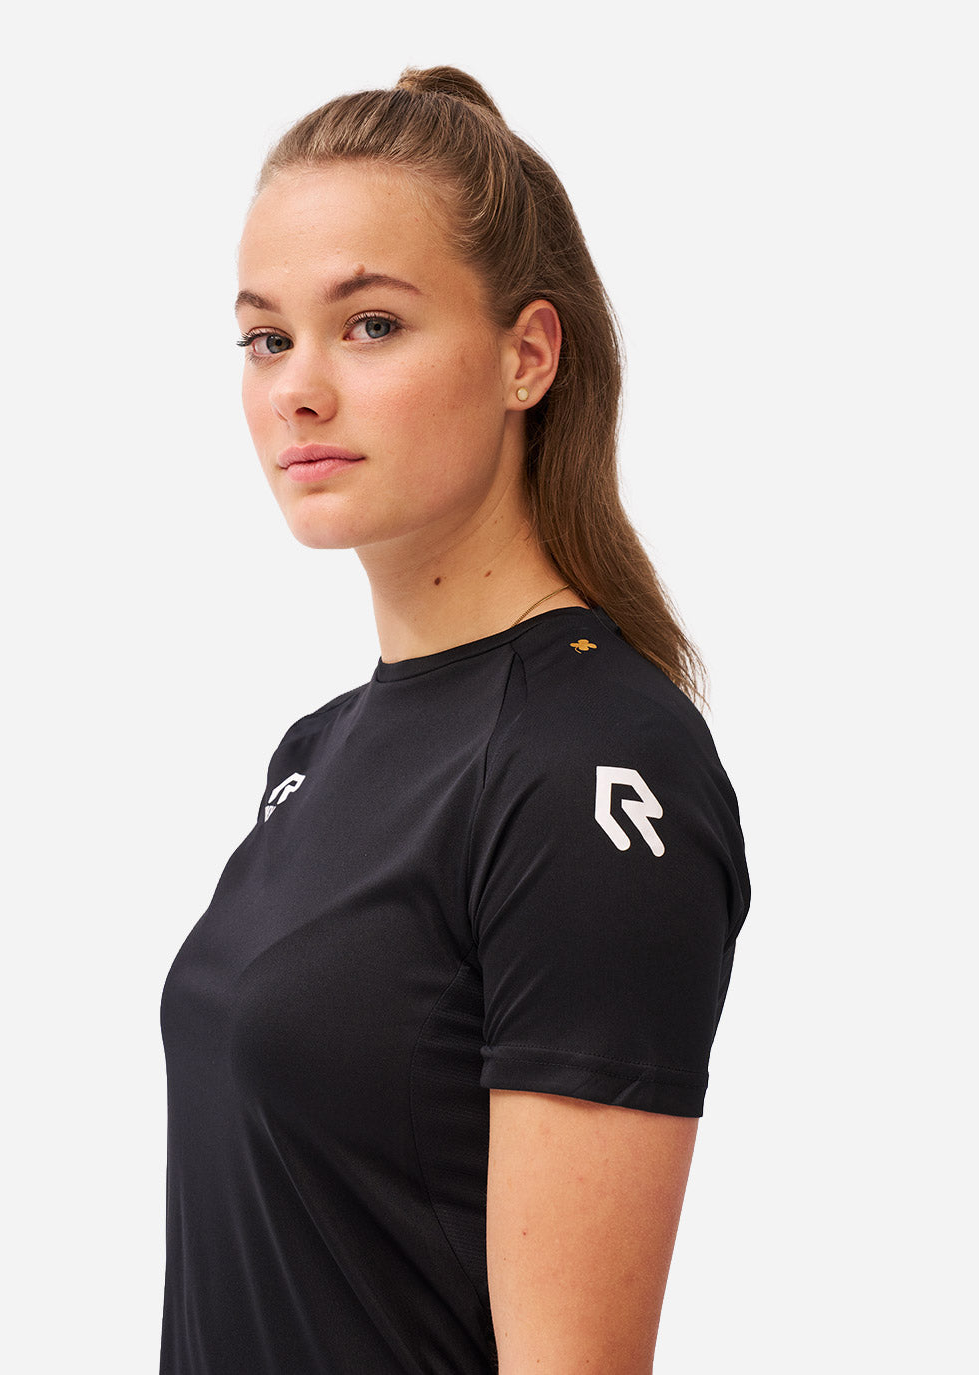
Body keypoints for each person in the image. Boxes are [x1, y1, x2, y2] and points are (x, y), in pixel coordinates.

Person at [159, 65, 750, 1375]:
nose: (299, 389)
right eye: (266, 339)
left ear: (527, 355)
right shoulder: (314, 754)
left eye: (370, 325)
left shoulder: (590, 762)